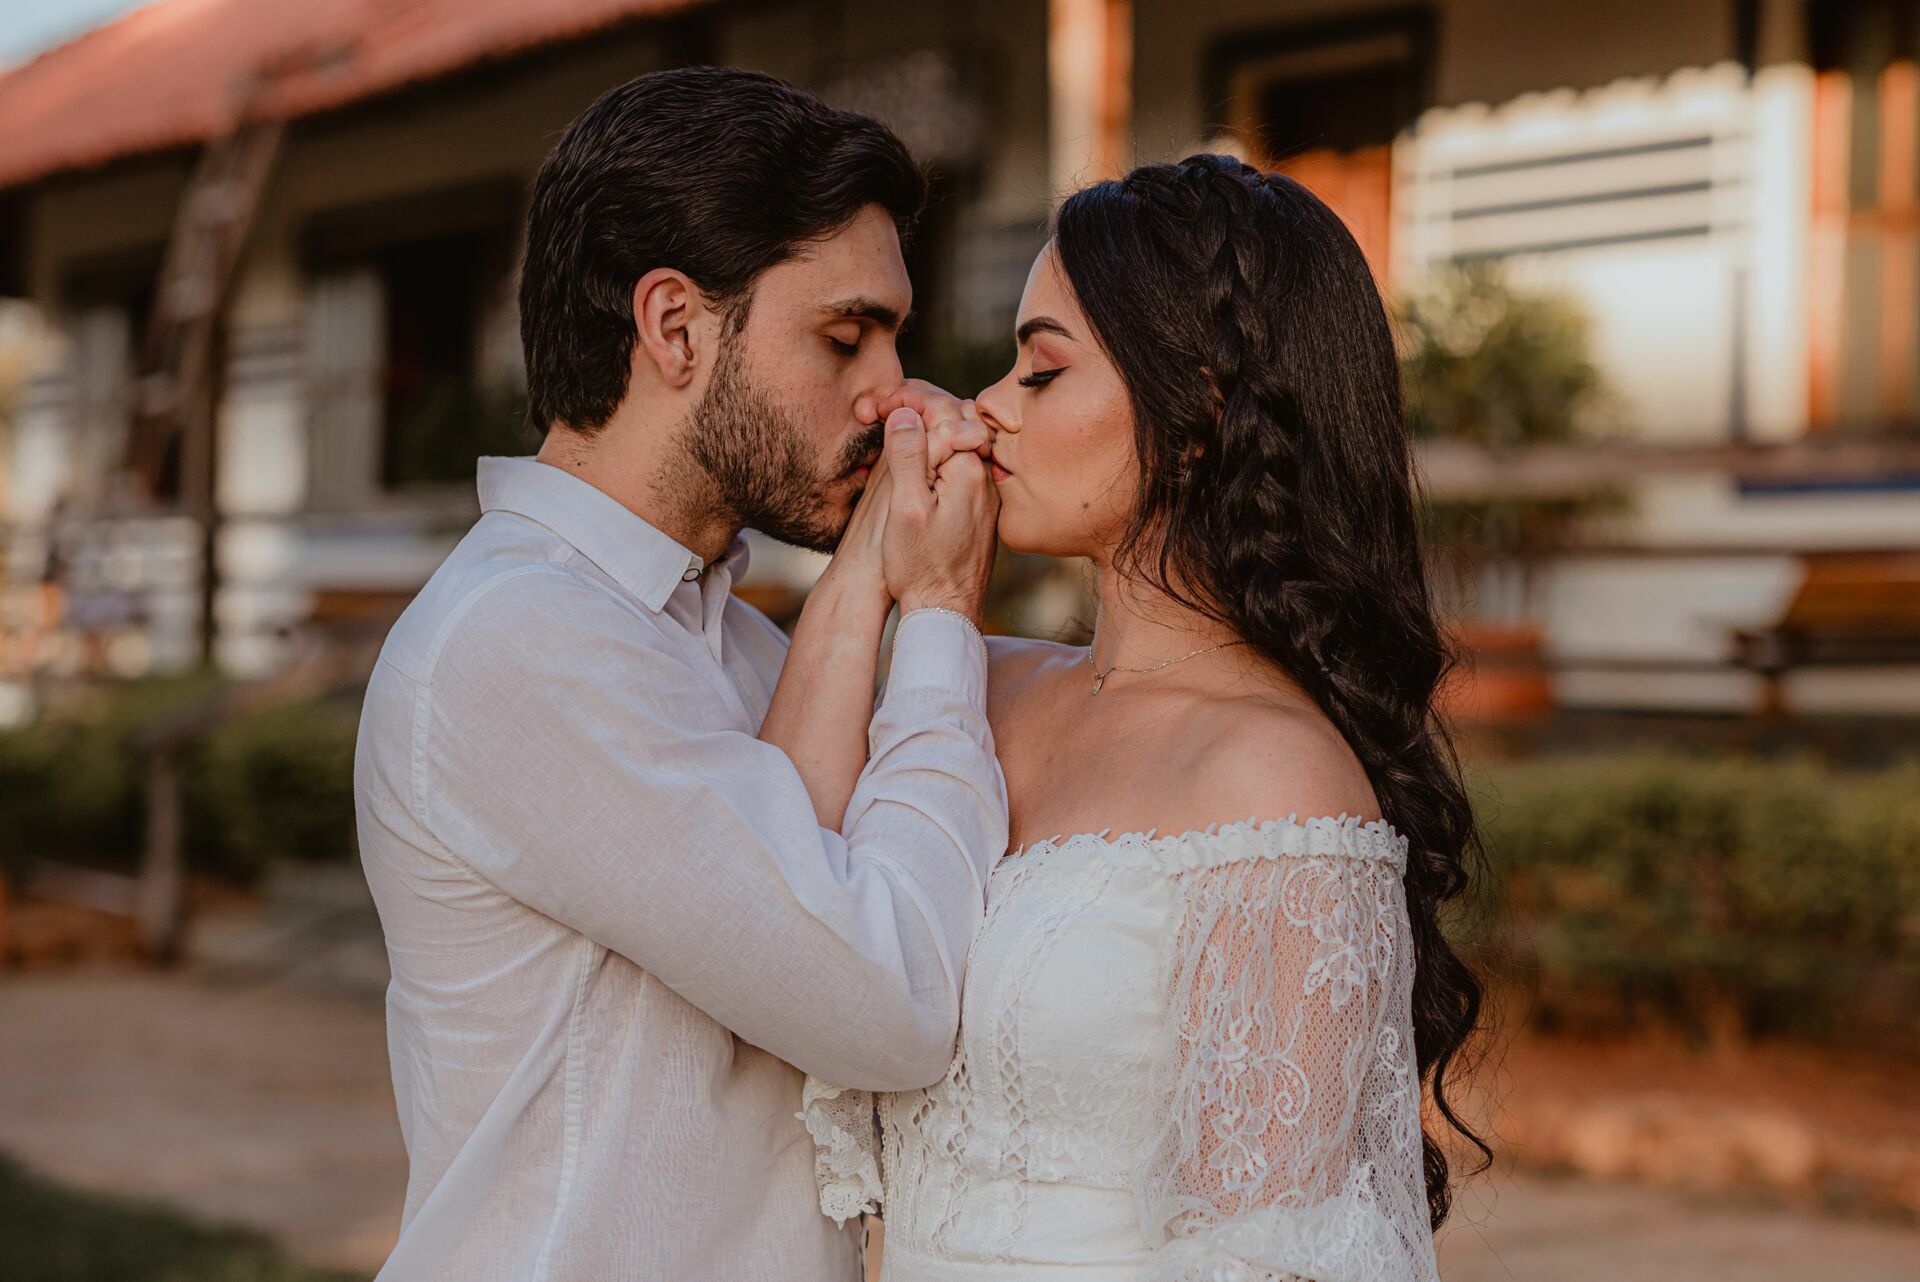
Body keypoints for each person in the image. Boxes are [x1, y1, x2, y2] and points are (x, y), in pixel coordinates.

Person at [353, 68, 1008, 1281]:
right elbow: (888, 998)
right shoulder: (516, 641)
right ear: (674, 327)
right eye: (845, 334)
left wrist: (870, 579)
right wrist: (932, 608)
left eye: (895, 337)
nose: (894, 390)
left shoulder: (747, 646)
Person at [800, 154, 1486, 1282]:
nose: (986, 405)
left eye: (1040, 370)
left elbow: (1266, 1256)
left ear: (1202, 407)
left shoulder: (1276, 782)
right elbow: (779, 889)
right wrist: (882, 568)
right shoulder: (966, 685)